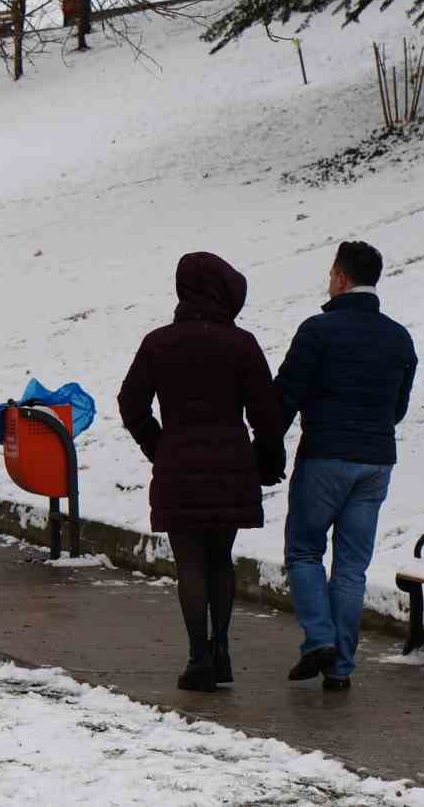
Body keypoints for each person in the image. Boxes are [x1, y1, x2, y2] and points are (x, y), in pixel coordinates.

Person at [119, 252, 285, 692]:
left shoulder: (158, 342)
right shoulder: (242, 344)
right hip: (232, 465)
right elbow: (266, 413)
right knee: (220, 560)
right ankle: (222, 648)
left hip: (178, 466)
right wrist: (267, 462)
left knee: (190, 562)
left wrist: (159, 446)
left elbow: (130, 404)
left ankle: (198, 657)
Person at [275, 241, 417, 691]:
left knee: (304, 551)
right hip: (376, 463)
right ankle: (340, 668)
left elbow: (286, 394)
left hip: (324, 457)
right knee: (352, 567)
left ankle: (320, 641)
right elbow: (398, 408)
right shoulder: (399, 337)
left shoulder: (318, 330)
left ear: (340, 278)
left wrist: (267, 443)